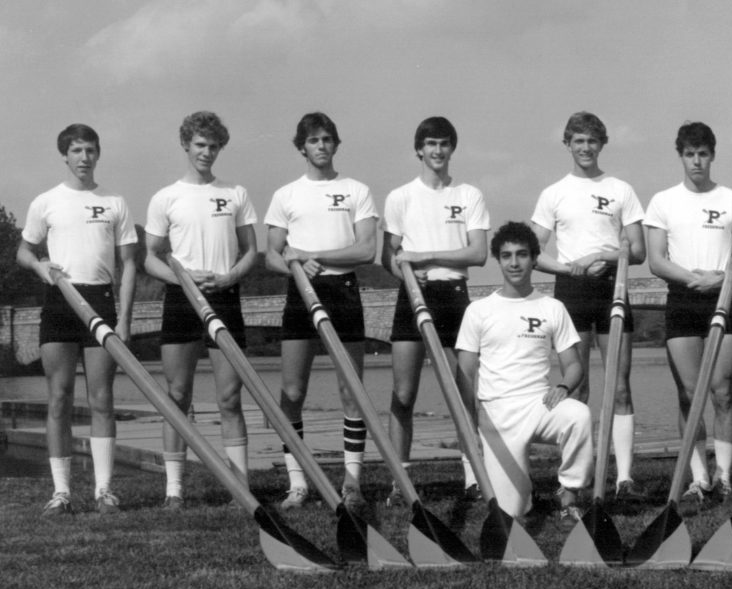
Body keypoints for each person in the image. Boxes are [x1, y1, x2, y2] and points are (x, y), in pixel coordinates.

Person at [17, 124, 137, 516]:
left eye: (90, 150)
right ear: (65, 156)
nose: (84, 157)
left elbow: (130, 264)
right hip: (59, 301)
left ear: (98, 154)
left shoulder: (115, 201)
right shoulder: (46, 202)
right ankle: (62, 493)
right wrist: (39, 266)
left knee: (101, 399)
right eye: (77, 151)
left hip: (100, 302)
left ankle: (104, 491)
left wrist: (125, 319)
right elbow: (24, 251)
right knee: (59, 398)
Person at [530, 111, 646, 500]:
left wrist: (603, 255)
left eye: (592, 141)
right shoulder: (553, 193)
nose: (585, 148)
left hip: (612, 288)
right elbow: (533, 252)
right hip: (572, 292)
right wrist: (570, 268)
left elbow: (638, 250)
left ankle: (624, 478)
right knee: (577, 390)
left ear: (602, 144)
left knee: (620, 387)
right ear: (567, 145)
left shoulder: (621, 189)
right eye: (578, 141)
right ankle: (578, 481)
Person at [144, 111, 258, 509]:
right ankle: (174, 489)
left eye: (213, 146)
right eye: (199, 145)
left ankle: (240, 487)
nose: (206, 152)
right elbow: (151, 258)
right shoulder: (165, 197)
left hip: (224, 298)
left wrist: (227, 279)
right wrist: (184, 280)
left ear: (220, 147)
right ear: (186, 145)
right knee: (177, 395)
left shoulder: (236, 193)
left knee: (229, 397)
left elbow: (252, 252)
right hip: (181, 299)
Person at [264, 112, 377, 511]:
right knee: (292, 392)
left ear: (335, 144)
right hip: (301, 293)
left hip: (343, 292)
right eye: (314, 140)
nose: (322, 146)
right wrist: (295, 265)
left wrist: (314, 255)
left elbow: (366, 250)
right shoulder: (286, 195)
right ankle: (298, 483)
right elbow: (271, 255)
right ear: (302, 147)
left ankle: (352, 484)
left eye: (328, 139)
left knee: (352, 393)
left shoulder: (356, 190)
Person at [643, 122, 732, 502]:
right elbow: (656, 262)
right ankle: (699, 478)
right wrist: (693, 279)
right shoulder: (662, 202)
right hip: (683, 298)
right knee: (689, 394)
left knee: (723, 392)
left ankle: (724, 477)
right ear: (681, 156)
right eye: (689, 154)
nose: (696, 161)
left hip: (723, 298)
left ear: (712, 155)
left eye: (703, 154)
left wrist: (720, 279)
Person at [380, 116, 490, 505]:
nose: (437, 151)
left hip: (455, 298)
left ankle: (473, 478)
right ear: (419, 150)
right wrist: (408, 274)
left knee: (463, 392)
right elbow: (388, 257)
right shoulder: (399, 197)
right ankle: (401, 483)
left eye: (444, 144)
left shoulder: (470, 195)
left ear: (451, 149)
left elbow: (477, 253)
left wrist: (424, 256)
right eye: (430, 144)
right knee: (404, 394)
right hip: (412, 298)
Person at [456, 222, 594, 520]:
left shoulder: (552, 307)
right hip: (497, 414)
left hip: (539, 404)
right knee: (514, 512)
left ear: (534, 259)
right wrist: (471, 422)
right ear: (498, 259)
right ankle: (524, 492)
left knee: (579, 416)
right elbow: (465, 373)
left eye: (522, 255)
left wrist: (563, 387)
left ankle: (568, 495)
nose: (515, 262)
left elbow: (573, 365)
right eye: (507, 256)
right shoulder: (478, 311)